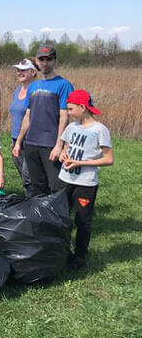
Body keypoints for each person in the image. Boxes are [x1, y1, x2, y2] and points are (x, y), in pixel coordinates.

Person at [56, 90, 113, 270]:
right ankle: (61, 251)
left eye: (71, 109)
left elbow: (109, 159)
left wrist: (80, 162)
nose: (69, 112)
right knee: (61, 217)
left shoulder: (100, 130)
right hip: (65, 179)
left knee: (82, 220)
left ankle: (80, 256)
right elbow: (66, 146)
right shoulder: (72, 127)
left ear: (82, 107)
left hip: (85, 183)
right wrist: (63, 154)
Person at [12, 44, 74, 196]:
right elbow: (28, 116)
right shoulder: (34, 86)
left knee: (55, 186)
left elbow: (65, 116)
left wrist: (59, 145)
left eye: (49, 59)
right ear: (37, 62)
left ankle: (58, 218)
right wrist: (19, 142)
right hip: (32, 143)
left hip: (50, 145)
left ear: (55, 61)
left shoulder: (63, 85)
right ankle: (40, 218)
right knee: (36, 186)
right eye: (41, 59)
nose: (45, 63)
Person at [9, 58, 38, 197]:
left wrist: (20, 141)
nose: (19, 72)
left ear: (33, 72)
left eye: (23, 70)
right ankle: (31, 202)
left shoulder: (37, 90)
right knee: (23, 176)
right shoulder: (18, 90)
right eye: (18, 70)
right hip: (15, 139)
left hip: (29, 140)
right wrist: (15, 141)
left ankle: (33, 207)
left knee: (29, 177)